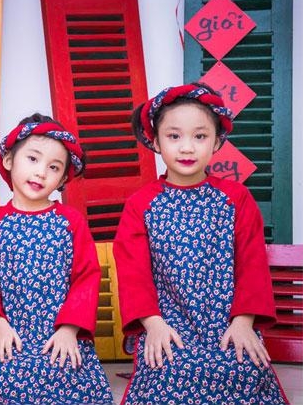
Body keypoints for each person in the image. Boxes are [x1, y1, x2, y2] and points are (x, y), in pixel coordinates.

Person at [113, 83, 289, 404]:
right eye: (174, 136)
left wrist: (243, 322)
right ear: (155, 141)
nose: (187, 148)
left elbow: (252, 264)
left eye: (200, 136)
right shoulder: (141, 204)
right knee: (168, 370)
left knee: (242, 368)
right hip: (168, 320)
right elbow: (133, 272)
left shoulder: (236, 199)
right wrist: (153, 324)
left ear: (217, 141)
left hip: (227, 320)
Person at [0, 113, 113, 404]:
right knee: (3, 377)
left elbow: (86, 278)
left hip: (57, 335)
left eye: (53, 167)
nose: (41, 172)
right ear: (8, 160)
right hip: (10, 333)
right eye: (32, 159)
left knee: (65, 373)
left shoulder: (71, 222)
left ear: (63, 178)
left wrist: (69, 330)